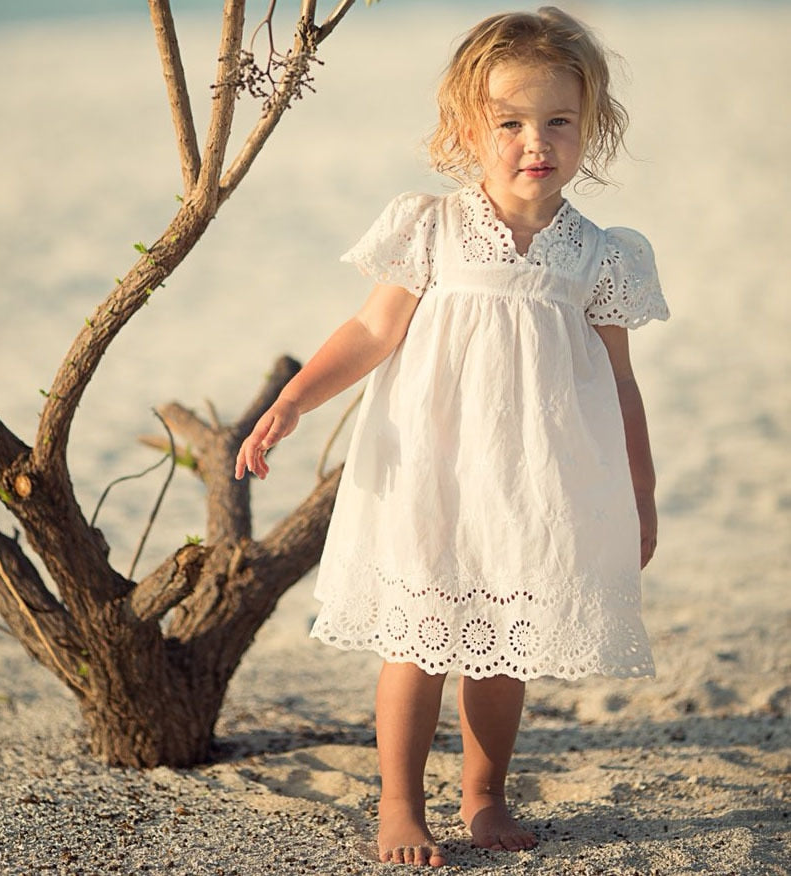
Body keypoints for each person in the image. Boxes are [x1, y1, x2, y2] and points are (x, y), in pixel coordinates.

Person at [235, 5, 669, 868]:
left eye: (558, 122)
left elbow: (620, 382)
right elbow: (370, 332)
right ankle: (400, 804)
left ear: (591, 128)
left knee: (503, 647)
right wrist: (293, 401)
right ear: (468, 129)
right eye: (508, 123)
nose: (533, 141)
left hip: (530, 485)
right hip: (433, 470)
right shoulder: (429, 225)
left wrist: (639, 493)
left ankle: (484, 794)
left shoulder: (600, 254)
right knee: (416, 640)